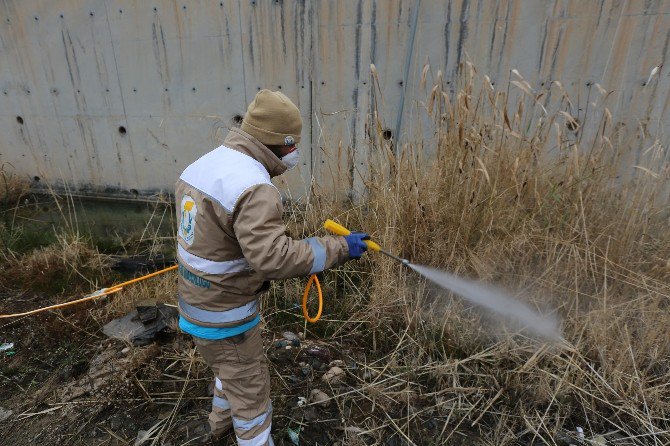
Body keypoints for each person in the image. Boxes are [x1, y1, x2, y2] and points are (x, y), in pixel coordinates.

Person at [175, 89, 370, 445]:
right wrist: (339, 247)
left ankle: (218, 428)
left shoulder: (204, 165)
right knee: (250, 393)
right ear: (277, 143)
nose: (295, 153)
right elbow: (273, 258)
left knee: (227, 372)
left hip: (197, 308)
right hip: (226, 317)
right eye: (292, 145)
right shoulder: (253, 186)